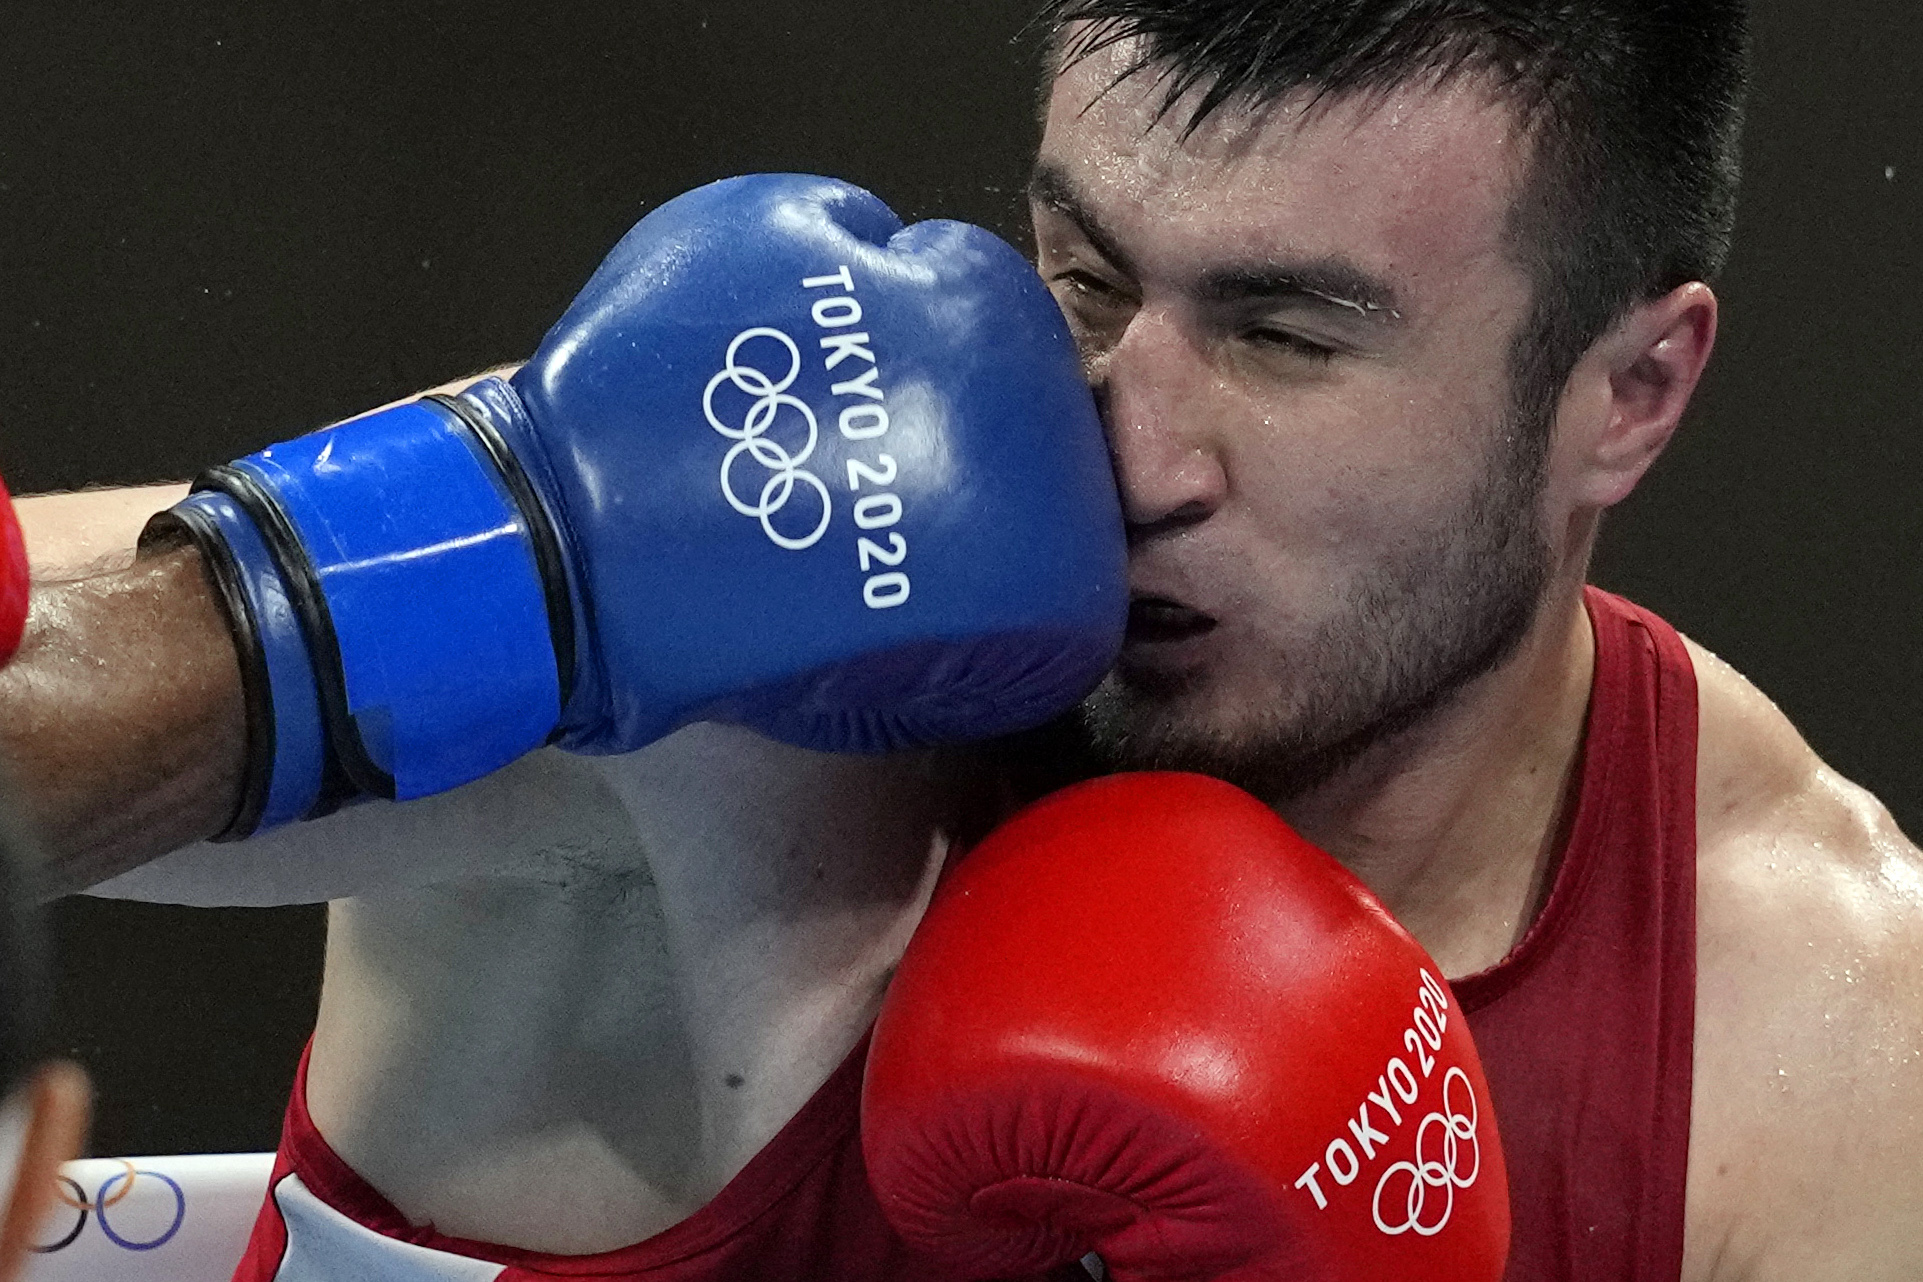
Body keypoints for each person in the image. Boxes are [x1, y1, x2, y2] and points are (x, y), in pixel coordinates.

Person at [3, 0, 1921, 1278]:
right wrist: (436, 572)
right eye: (1083, 270)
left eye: (1286, 335)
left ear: (1633, 390)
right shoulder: (739, 629)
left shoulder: (1826, 1054)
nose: (1132, 442)